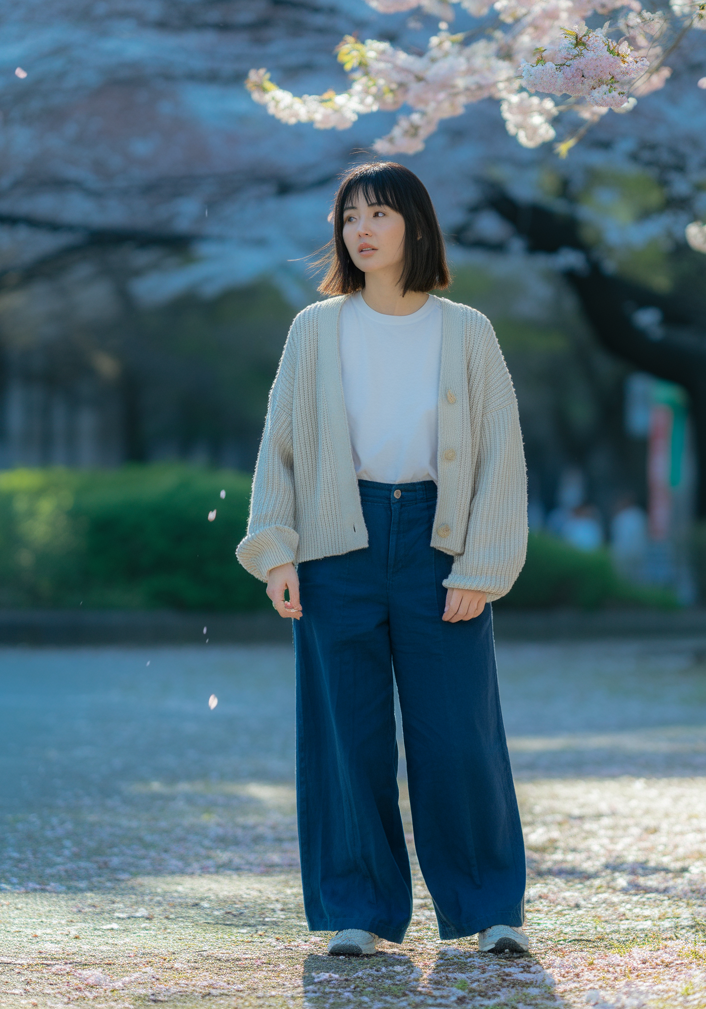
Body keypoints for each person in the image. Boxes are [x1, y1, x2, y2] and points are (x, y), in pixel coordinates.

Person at [236, 161, 530, 958]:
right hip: (339, 541)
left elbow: (502, 453)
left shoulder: (466, 330)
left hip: (439, 542)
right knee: (347, 736)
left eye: (378, 215)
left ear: (415, 226)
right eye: (349, 217)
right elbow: (283, 447)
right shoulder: (314, 328)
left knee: (458, 733)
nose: (361, 230)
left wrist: (481, 566)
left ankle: (488, 905)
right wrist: (276, 552)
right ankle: (358, 911)